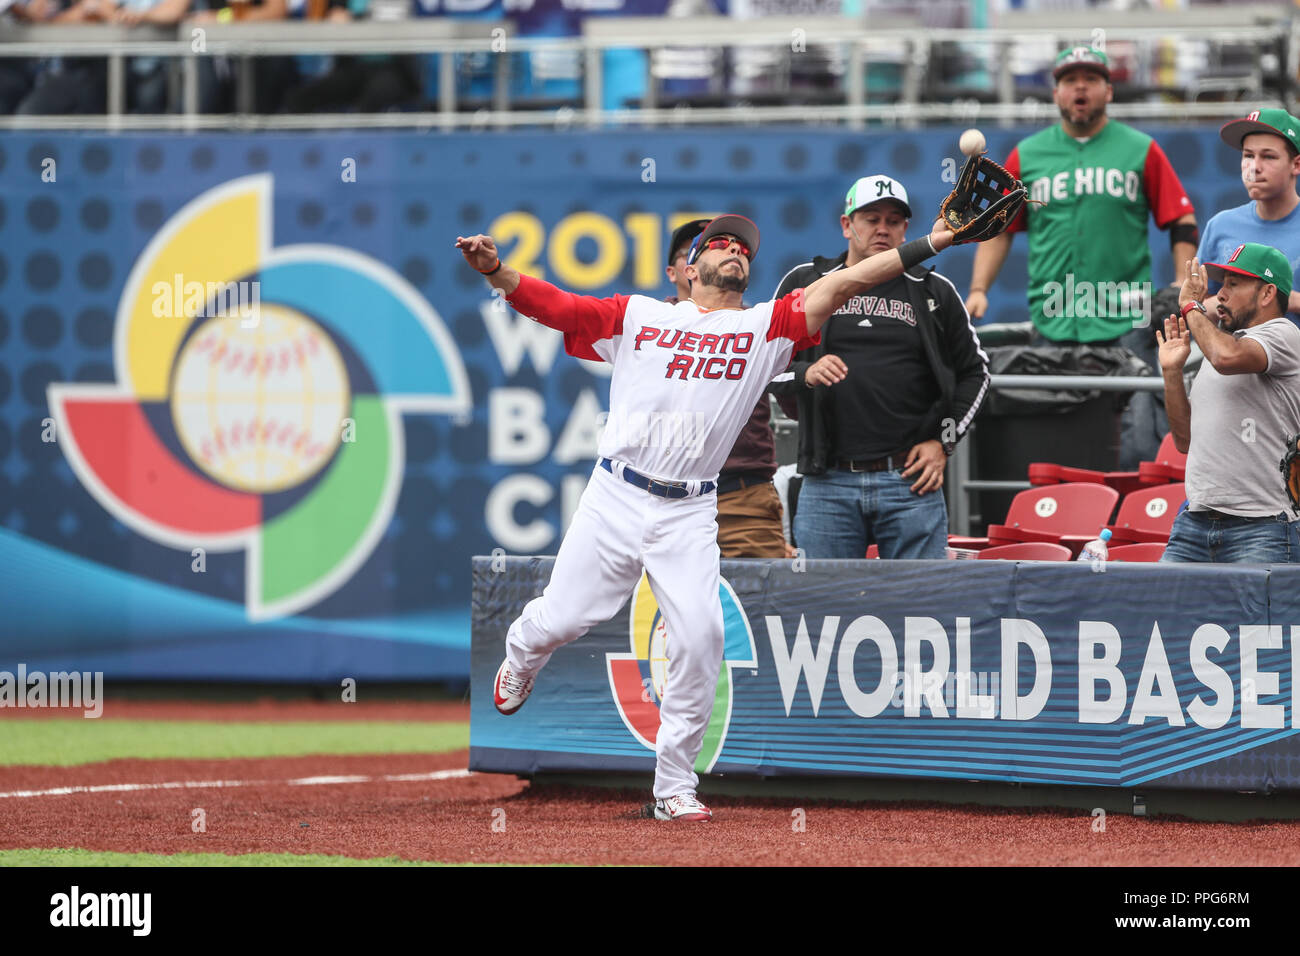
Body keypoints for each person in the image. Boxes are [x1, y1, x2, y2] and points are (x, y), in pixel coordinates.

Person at [458, 209, 970, 820]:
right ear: (687, 268)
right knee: (563, 620)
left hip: (690, 508)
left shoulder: (764, 328)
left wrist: (936, 240)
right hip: (616, 494)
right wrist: (498, 272)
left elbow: (848, 282)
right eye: (720, 245)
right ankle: (521, 653)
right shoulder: (642, 315)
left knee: (701, 640)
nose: (734, 252)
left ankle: (673, 787)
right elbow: (560, 308)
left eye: (744, 250)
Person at [770, 175, 989, 559]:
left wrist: (944, 442)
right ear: (846, 225)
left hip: (910, 480)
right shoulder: (808, 283)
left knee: (921, 608)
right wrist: (806, 374)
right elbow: (764, 365)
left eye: (894, 220)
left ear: (906, 230)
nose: (883, 229)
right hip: (827, 481)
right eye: (871, 218)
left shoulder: (933, 289)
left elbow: (977, 373)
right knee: (827, 608)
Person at [966, 46, 1199, 345]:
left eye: (1090, 78)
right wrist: (978, 289)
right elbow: (999, 230)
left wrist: (1182, 281)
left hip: (1129, 320)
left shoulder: (1141, 149)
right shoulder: (1026, 155)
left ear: (1109, 92)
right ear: (1055, 93)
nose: (1080, 86)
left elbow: (1181, 218)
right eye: (1069, 80)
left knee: (1138, 393)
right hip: (1053, 316)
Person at [1157, 244, 1300, 562]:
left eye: (1234, 285)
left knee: (1258, 614)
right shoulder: (1222, 344)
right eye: (1222, 283)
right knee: (1162, 610)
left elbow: (1226, 357)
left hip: (1264, 528)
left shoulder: (1283, 333)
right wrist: (1171, 372)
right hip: (1194, 523)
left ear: (1266, 294)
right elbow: (1184, 442)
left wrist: (1191, 305)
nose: (1220, 294)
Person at [665, 218, 789, 559]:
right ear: (680, 270)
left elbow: (792, 387)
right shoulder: (646, 326)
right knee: (656, 611)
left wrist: (806, 375)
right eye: (711, 246)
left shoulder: (759, 327)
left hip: (743, 495)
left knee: (759, 607)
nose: (730, 250)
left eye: (737, 247)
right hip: (665, 498)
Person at [1198, 108, 1300, 325]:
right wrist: (1235, 300)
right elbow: (1198, 305)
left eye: (1268, 156)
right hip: (1233, 356)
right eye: (1248, 155)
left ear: (1296, 164)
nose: (1254, 167)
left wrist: (1286, 300)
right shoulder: (1220, 225)